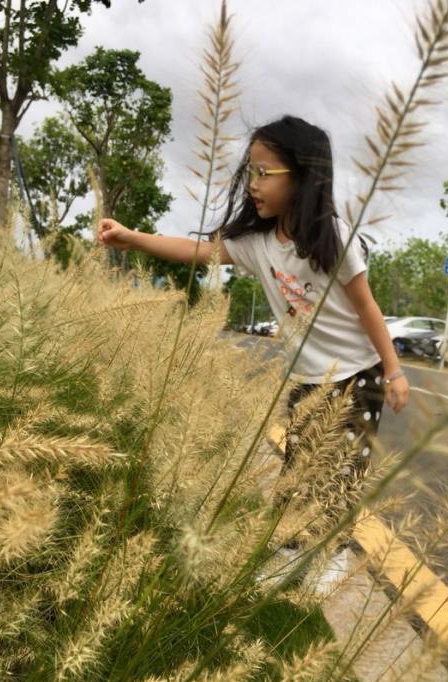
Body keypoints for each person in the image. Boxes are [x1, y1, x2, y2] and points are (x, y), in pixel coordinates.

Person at [98, 115, 409, 535]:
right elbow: (199, 250)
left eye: (264, 173)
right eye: (250, 172)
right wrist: (133, 237)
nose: (253, 184)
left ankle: (328, 557)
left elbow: (368, 308)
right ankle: (285, 549)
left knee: (342, 473)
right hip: (307, 377)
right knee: (298, 468)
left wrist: (393, 371)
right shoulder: (257, 242)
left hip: (358, 373)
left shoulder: (332, 238)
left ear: (301, 176)